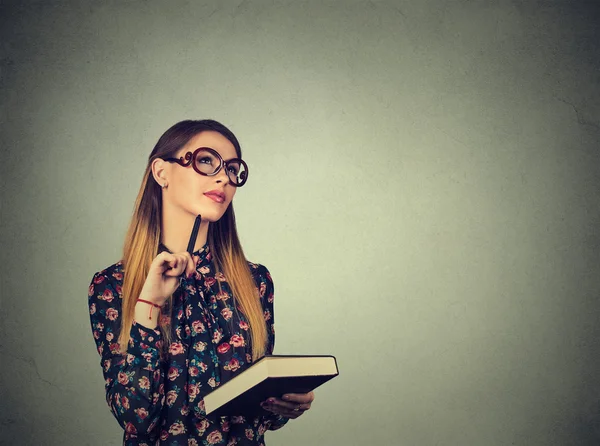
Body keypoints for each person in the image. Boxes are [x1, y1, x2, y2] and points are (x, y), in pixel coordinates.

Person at [88, 119, 315, 445]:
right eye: (206, 160)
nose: (224, 177)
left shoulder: (255, 281)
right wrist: (149, 305)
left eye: (232, 169)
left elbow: (255, 414)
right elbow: (135, 419)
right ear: (161, 172)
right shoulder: (112, 285)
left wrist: (283, 405)